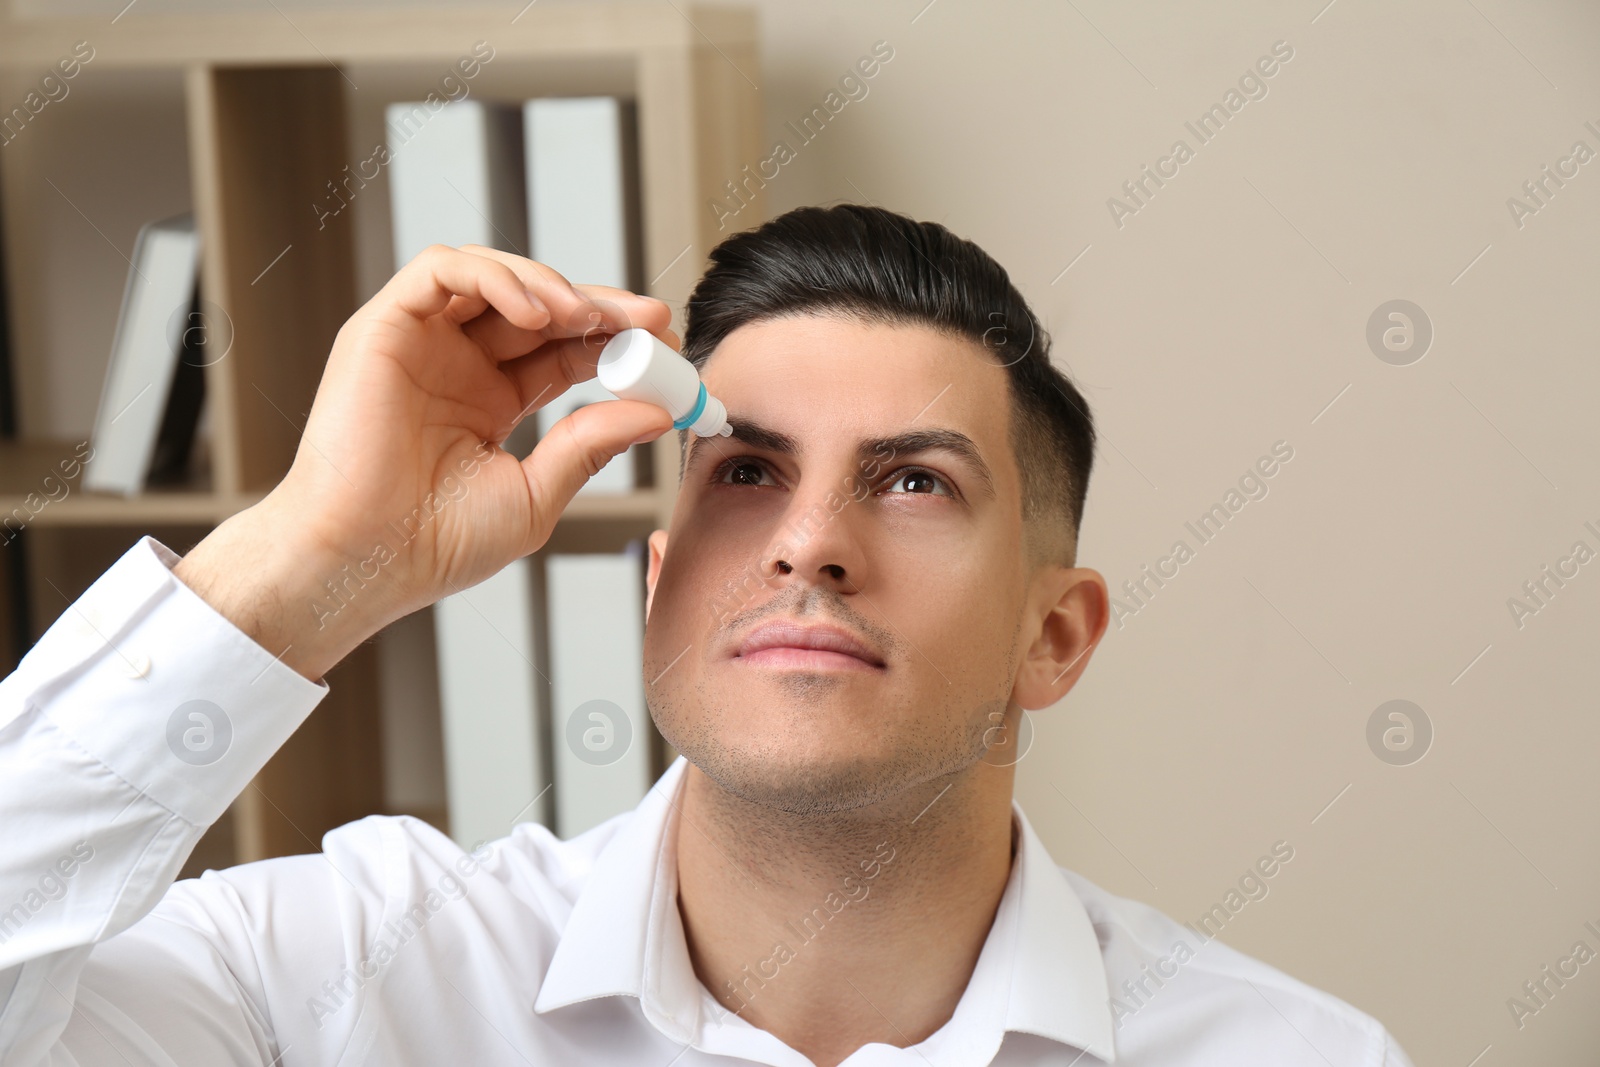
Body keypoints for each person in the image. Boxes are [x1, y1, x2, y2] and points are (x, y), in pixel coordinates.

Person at [0, 204, 1413, 1066]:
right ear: (662, 584)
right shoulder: (327, 982)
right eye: (746, 470)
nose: (809, 542)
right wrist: (307, 563)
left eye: (915, 481)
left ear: (1056, 635)